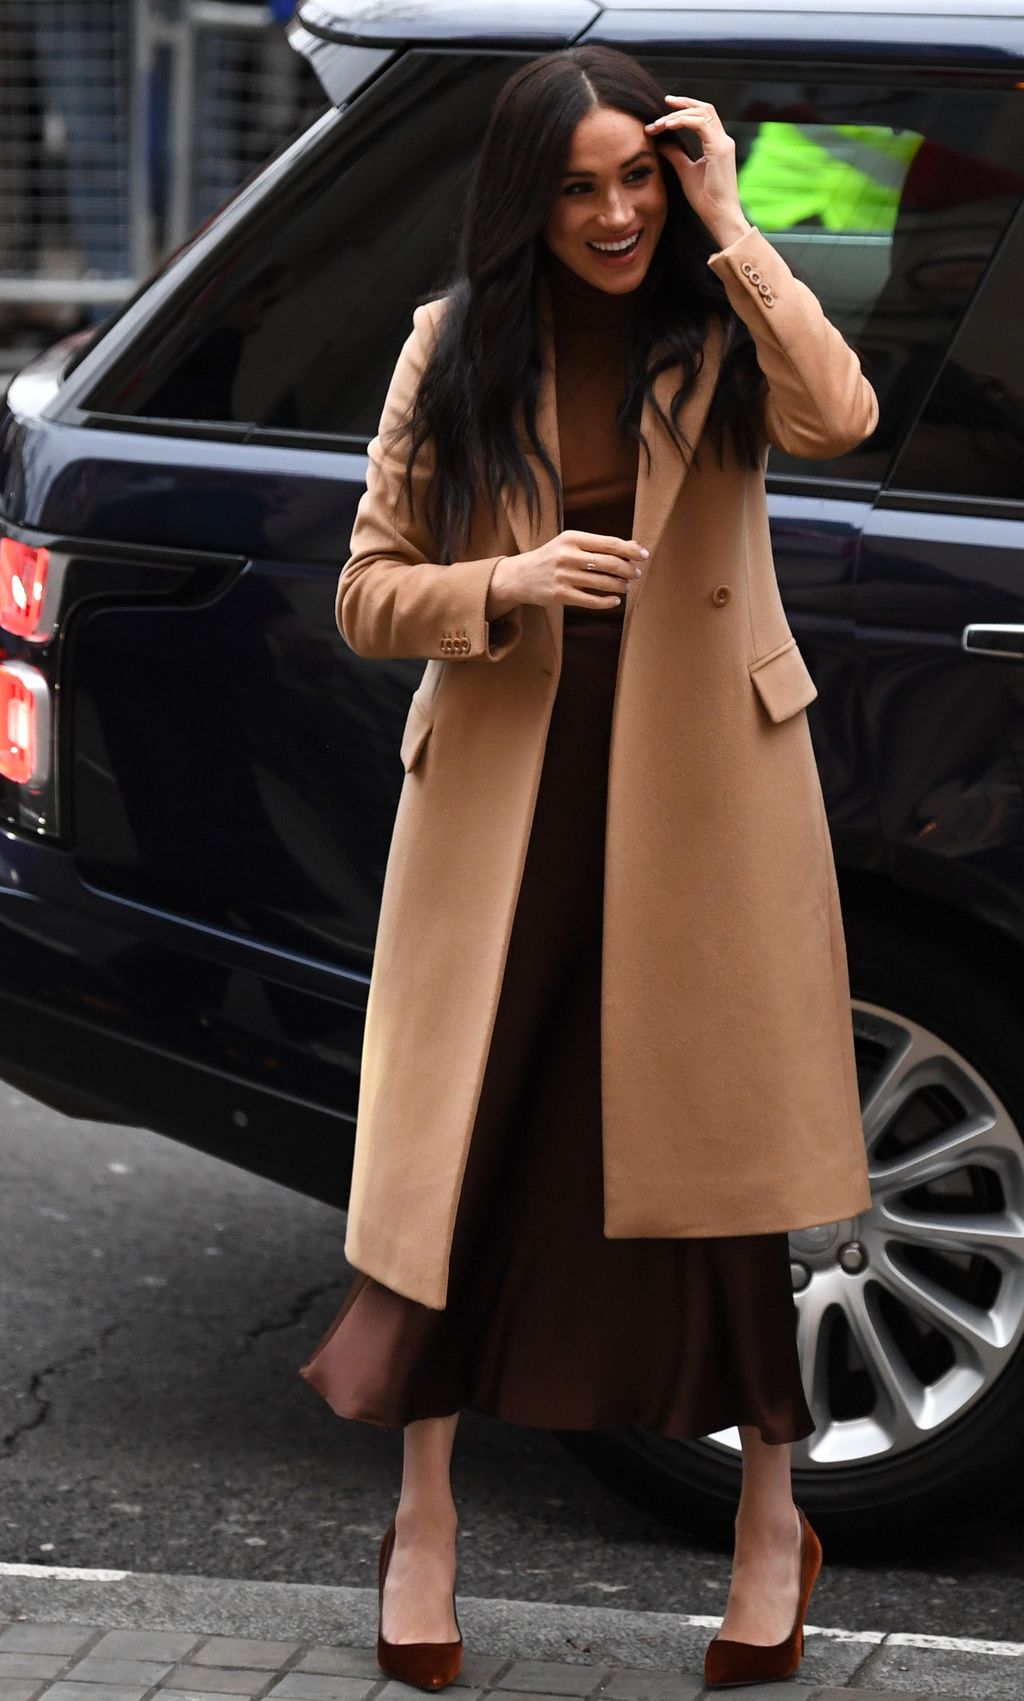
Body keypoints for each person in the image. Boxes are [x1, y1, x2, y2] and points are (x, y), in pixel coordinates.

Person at [299, 43, 878, 1693]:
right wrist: (512, 576)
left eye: (639, 176)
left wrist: (736, 220)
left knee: (722, 1181)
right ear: (526, 199)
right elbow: (365, 593)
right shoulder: (453, 342)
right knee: (464, 1167)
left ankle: (777, 1526)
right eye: (580, 186)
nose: (616, 212)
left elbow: (846, 416)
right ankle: (421, 1523)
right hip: (508, 797)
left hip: (705, 795)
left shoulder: (719, 319)